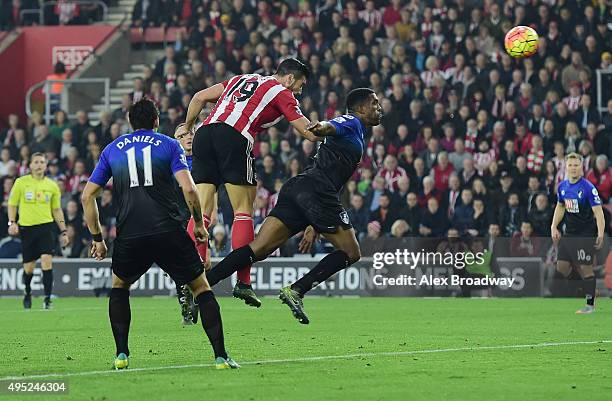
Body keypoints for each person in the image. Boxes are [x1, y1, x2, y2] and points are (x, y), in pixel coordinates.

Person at [81, 99, 239, 370]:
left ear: (130, 122)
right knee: (201, 288)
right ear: (156, 121)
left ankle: (121, 355)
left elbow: (87, 196)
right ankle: (221, 357)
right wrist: (199, 225)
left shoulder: (111, 150)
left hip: (130, 233)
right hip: (168, 231)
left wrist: (97, 239)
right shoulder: (169, 144)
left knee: (119, 288)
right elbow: (190, 189)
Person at [205, 88, 382, 324]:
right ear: (360, 108)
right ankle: (297, 289)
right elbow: (332, 125)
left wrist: (314, 224)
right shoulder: (352, 122)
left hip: (299, 188)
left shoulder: (357, 133)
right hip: (317, 191)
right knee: (352, 253)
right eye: (374, 103)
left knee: (258, 249)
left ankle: (203, 283)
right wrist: (320, 127)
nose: (379, 108)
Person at [183, 58, 319, 308]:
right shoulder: (282, 91)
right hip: (234, 136)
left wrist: (187, 126)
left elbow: (199, 97)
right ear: (290, 78)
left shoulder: (240, 79)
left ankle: (193, 281)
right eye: (300, 84)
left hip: (204, 133)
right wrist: (334, 131)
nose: (300, 90)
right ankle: (243, 282)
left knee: (201, 212)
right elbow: (306, 131)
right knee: (243, 212)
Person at [7, 152, 68, 310]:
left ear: (46, 165)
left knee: (47, 261)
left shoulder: (52, 185)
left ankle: (47, 298)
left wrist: (64, 230)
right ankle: (27, 293)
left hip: (45, 227)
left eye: (42, 162)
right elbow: (12, 204)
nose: (39, 164)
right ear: (30, 165)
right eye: (36, 162)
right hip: (27, 229)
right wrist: (12, 222)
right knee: (29, 267)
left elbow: (57, 210)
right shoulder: (21, 182)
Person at [551, 153, 605, 314]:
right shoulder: (562, 187)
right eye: (570, 165)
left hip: (585, 234)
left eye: (576, 165)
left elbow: (599, 212)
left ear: (581, 167)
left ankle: (590, 305)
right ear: (565, 167)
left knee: (586, 268)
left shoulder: (588, 187)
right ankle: (588, 288)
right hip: (569, 234)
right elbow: (560, 207)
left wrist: (600, 233)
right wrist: (554, 225)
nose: (573, 168)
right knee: (561, 267)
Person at [172, 123, 212, 326]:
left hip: (199, 222)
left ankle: (193, 302)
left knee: (202, 265)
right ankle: (186, 304)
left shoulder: (204, 162)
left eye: (190, 133)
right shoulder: (171, 164)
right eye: (181, 135)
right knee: (183, 266)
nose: (187, 137)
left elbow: (211, 199)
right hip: (176, 223)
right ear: (175, 141)